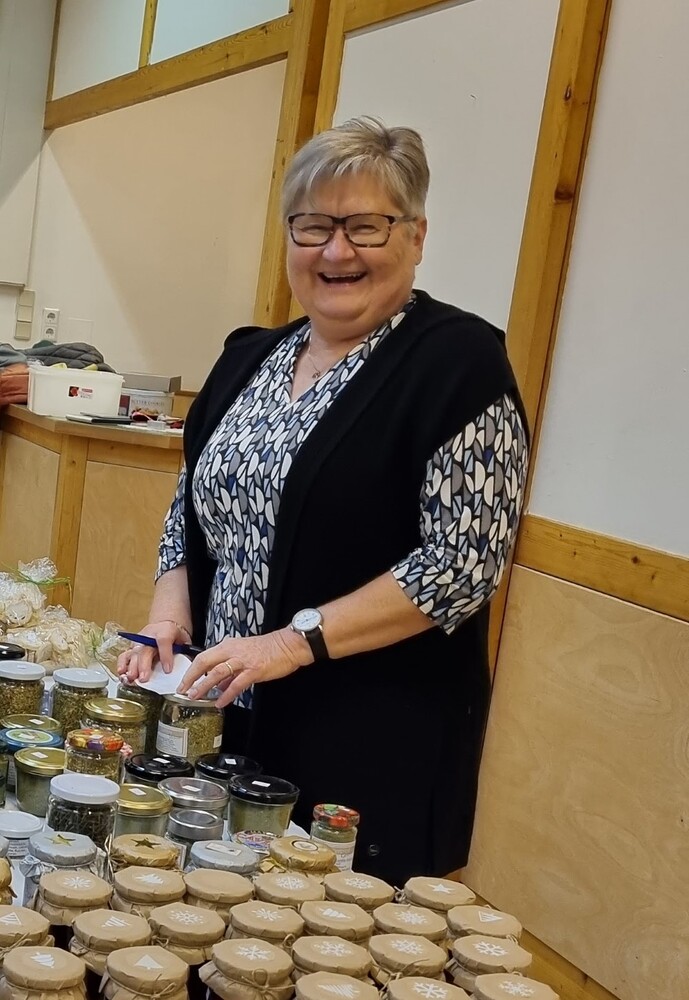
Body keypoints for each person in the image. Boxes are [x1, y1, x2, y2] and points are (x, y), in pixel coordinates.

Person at [118, 116, 529, 885]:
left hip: (369, 735)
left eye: (365, 227)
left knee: (328, 926)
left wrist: (289, 643)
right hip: (226, 717)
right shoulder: (248, 357)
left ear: (415, 236)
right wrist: (169, 618)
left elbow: (460, 566)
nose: (336, 252)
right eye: (312, 227)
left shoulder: (457, 365)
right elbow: (190, 505)